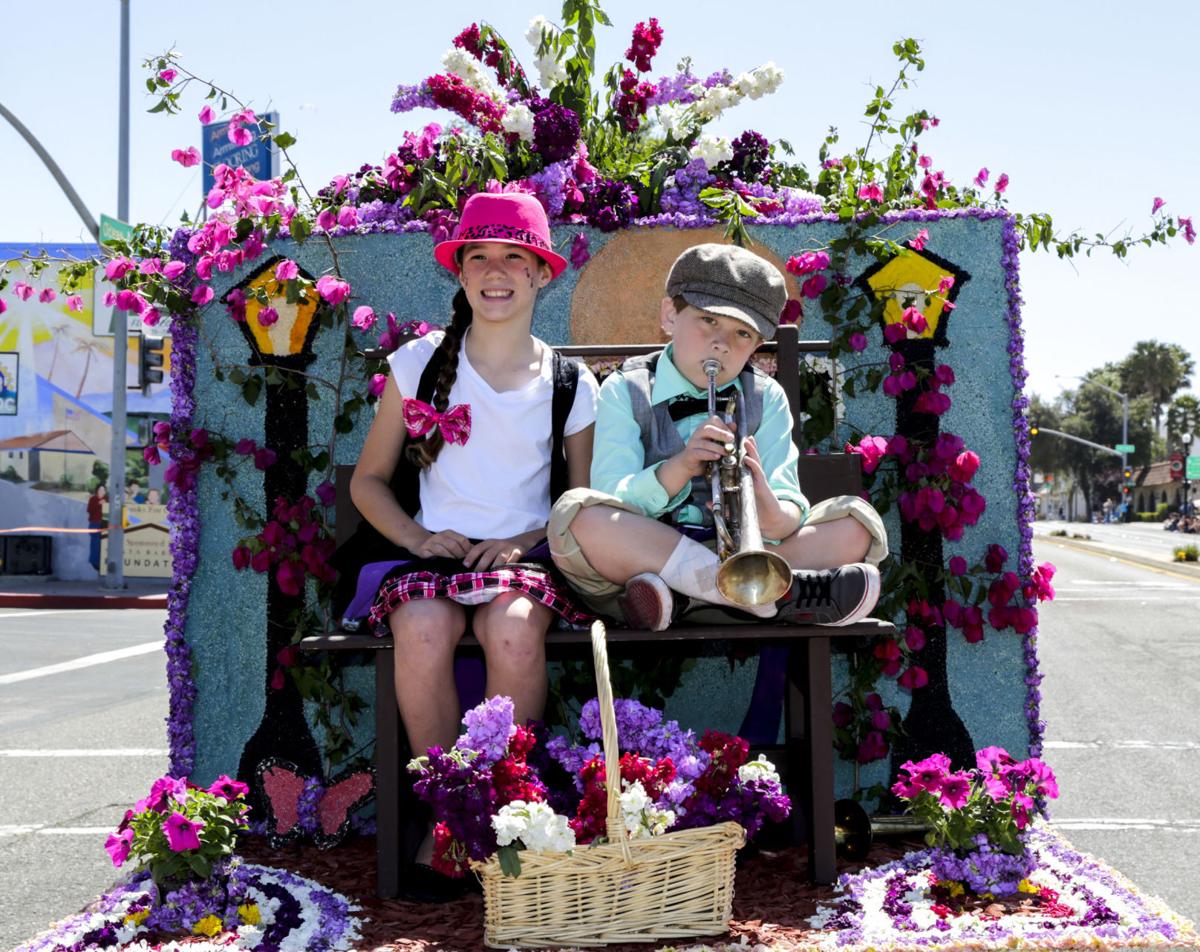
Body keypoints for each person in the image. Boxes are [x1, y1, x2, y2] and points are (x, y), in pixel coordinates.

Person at [338, 192, 598, 900]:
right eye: (478, 256)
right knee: (421, 628)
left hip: (527, 557)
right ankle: (451, 816)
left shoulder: (569, 382)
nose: (495, 271)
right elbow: (368, 482)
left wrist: (522, 540)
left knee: (513, 631)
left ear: (542, 273)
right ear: (458, 271)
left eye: (515, 256)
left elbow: (581, 504)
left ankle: (505, 810)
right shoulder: (418, 364)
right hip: (432, 556)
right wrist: (420, 537)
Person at [549, 243, 888, 631]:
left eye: (742, 333)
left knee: (856, 526)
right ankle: (774, 595)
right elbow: (613, 494)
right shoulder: (626, 388)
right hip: (650, 551)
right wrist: (680, 467)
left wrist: (767, 504)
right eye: (708, 320)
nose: (721, 343)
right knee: (582, 519)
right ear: (670, 315)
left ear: (757, 346)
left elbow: (789, 512)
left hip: (722, 561)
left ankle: (692, 596)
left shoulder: (766, 397)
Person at [86, 483, 107, 571]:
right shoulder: (93, 499)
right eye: (100, 489)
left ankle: (102, 563)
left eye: (103, 490)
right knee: (95, 543)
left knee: (103, 545)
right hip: (94, 524)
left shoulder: (107, 499)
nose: (101, 491)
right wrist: (98, 504)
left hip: (104, 525)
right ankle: (95, 563)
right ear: (97, 491)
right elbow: (89, 510)